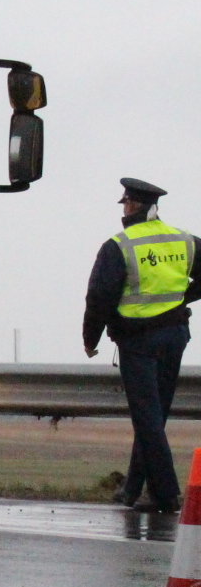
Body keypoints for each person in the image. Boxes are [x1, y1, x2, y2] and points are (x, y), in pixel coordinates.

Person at [83, 178, 198, 512]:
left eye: (126, 203)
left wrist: (91, 339)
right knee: (154, 417)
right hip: (175, 336)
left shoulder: (119, 245)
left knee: (147, 419)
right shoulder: (184, 239)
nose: (125, 209)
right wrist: (181, 299)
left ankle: (165, 494)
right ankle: (132, 489)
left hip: (138, 341)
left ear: (132, 205)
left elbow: (99, 297)